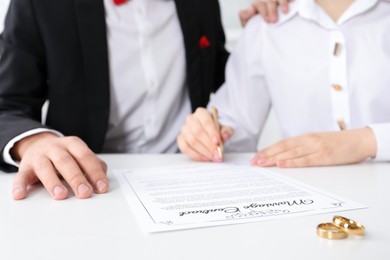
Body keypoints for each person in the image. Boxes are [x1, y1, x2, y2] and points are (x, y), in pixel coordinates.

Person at [0, 0, 231, 200]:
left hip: (190, 175)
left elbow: (223, 75)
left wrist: (261, 30)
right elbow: (7, 105)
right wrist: (34, 142)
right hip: (90, 185)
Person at [177, 0, 390, 167]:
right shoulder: (266, 26)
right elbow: (235, 124)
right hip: (310, 199)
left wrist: (365, 142)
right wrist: (206, 136)